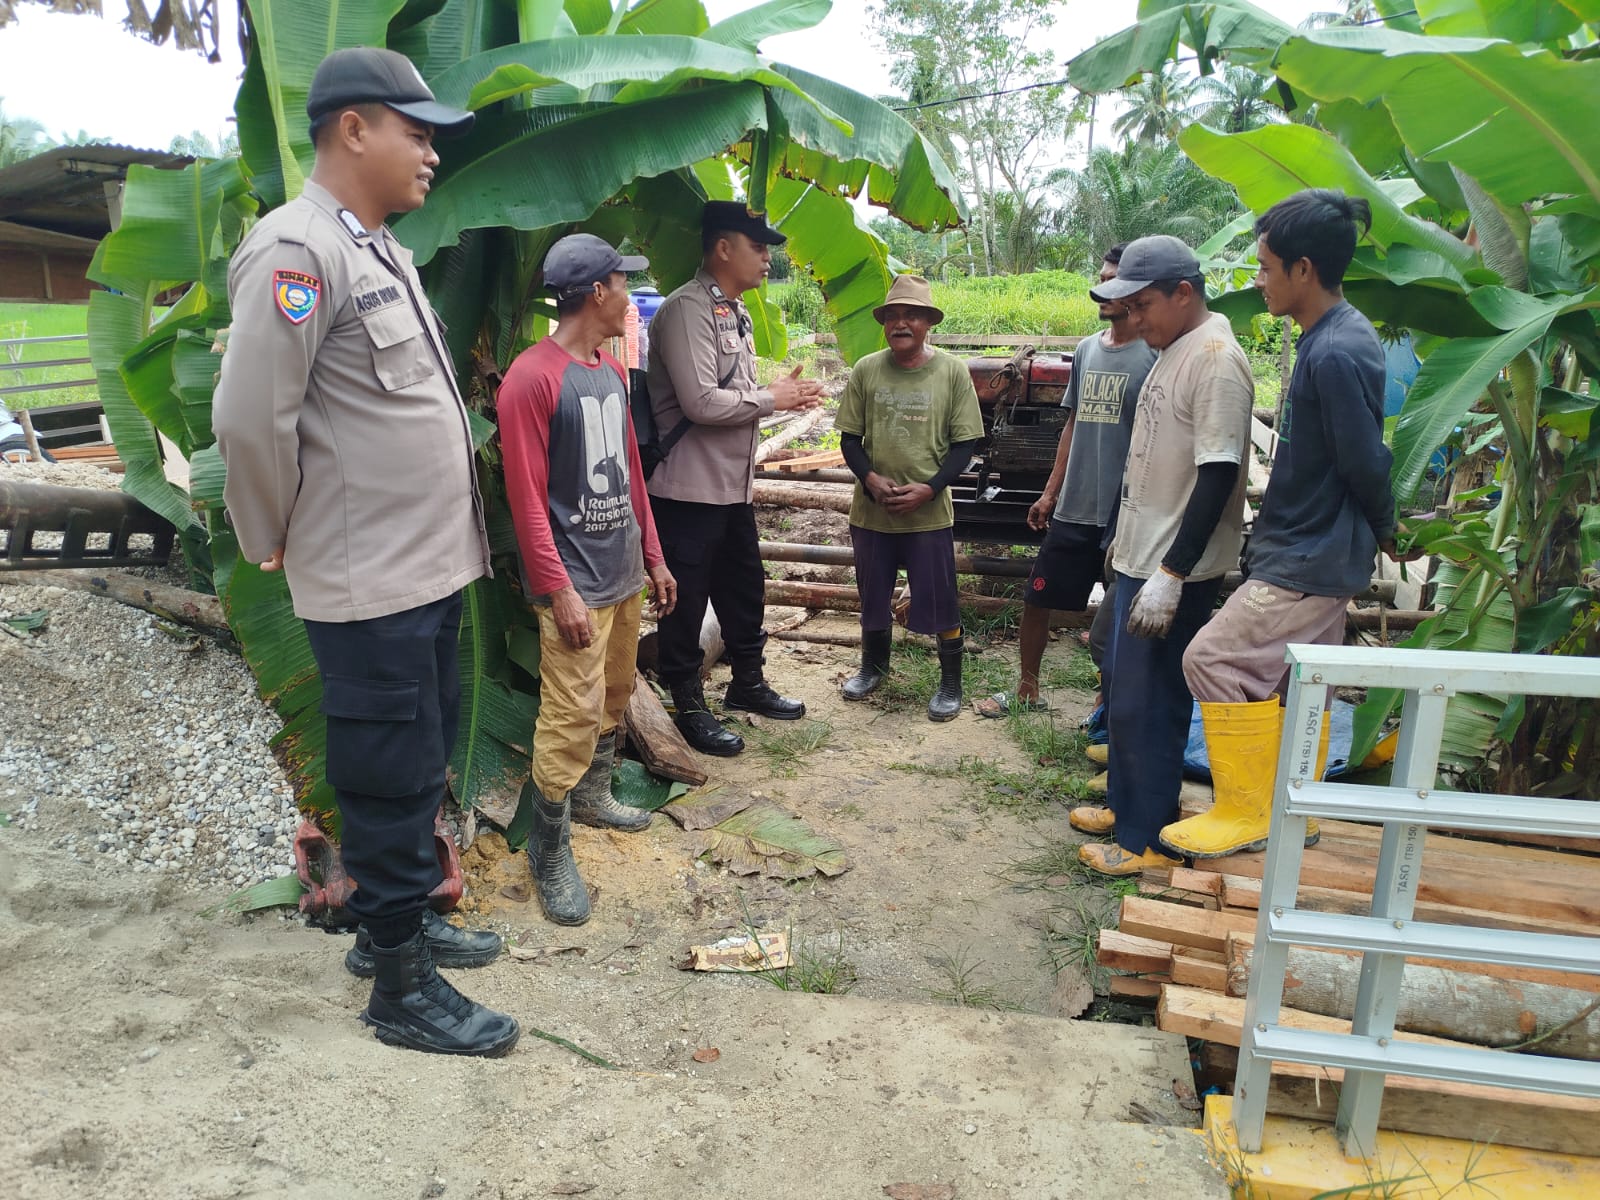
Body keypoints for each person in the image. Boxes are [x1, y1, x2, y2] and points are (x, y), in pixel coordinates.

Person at [212, 47, 518, 1058]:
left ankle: (406, 924)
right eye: (415, 132)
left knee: (417, 758)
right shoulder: (295, 252)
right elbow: (254, 420)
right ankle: (398, 984)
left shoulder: (374, 246)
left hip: (422, 568)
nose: (430, 153)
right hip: (367, 577)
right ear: (353, 128)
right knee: (386, 777)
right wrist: (266, 537)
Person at [1161, 189, 1415, 860]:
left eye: (1267, 268)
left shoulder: (1334, 352)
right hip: (1313, 551)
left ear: (1304, 270)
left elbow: (1364, 458)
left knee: (1210, 659)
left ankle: (1246, 808)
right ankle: (1288, 805)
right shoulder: (1332, 337)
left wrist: (1386, 526)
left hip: (1309, 556)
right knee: (1288, 680)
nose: (1258, 281)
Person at [496, 233, 677, 926]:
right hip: (576, 583)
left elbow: (630, 474)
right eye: (622, 285)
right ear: (596, 292)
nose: (630, 298)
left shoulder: (607, 368)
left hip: (623, 572)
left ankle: (595, 798)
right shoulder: (531, 378)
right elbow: (526, 497)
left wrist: (654, 557)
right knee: (568, 717)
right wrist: (559, 588)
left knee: (613, 694)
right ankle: (548, 849)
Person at [1074, 235, 1254, 878]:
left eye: (1143, 305)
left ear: (1184, 293)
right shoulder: (1174, 349)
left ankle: (1146, 836)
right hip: (1139, 558)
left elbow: (1218, 471)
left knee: (1152, 705)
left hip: (1169, 569)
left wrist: (1173, 572)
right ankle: (1129, 808)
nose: (1134, 319)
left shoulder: (1215, 360)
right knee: (1126, 696)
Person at [645, 200, 824, 756]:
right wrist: (773, 398)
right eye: (758, 247)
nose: (768, 258)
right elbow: (700, 402)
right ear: (723, 248)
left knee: (744, 592)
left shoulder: (734, 312)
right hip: (687, 491)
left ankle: (747, 684)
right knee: (687, 603)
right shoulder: (685, 311)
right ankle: (686, 701)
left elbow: (730, 394)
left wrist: (773, 394)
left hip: (730, 488)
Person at [974, 243, 1155, 723]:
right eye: (1100, 277)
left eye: (1114, 280)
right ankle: (1028, 687)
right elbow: (1071, 424)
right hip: (1075, 506)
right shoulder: (1088, 349)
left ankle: (1106, 701)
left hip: (1125, 515)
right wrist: (1050, 492)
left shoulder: (1156, 356)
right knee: (1038, 596)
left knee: (1118, 617)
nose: (1102, 288)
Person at [835, 275, 985, 720]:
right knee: (873, 594)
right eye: (894, 316)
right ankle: (872, 667)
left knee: (940, 597)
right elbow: (849, 439)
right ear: (885, 324)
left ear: (927, 324)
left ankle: (950, 683)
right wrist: (870, 479)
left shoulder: (952, 372)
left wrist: (930, 488)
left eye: (912, 316)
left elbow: (965, 446)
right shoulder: (866, 369)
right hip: (872, 512)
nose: (902, 324)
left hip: (928, 513)